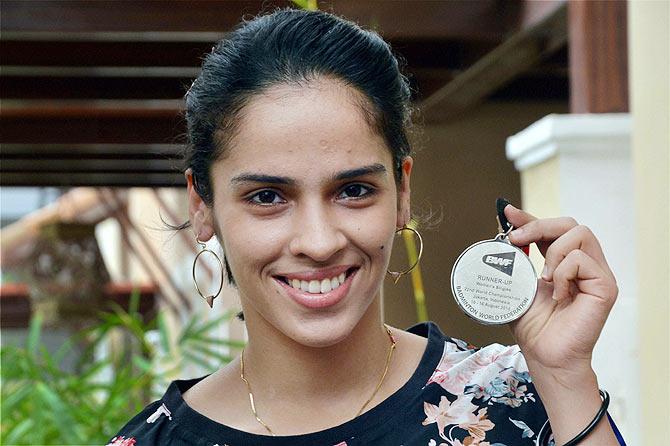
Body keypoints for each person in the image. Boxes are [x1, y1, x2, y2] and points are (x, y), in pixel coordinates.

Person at [108, 7, 626, 446]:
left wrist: (563, 378)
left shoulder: (517, 402)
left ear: (402, 192)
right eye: (267, 197)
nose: (319, 241)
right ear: (202, 205)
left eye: (353, 190)